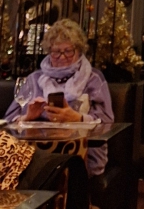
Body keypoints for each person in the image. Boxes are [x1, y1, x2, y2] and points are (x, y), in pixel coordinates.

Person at [5, 19, 114, 175]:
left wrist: (77, 118)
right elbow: (8, 122)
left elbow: (107, 122)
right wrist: (27, 117)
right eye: (56, 52)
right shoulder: (34, 79)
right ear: (49, 51)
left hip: (80, 155)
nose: (62, 57)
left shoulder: (93, 79)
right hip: (33, 155)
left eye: (68, 51)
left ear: (79, 50)